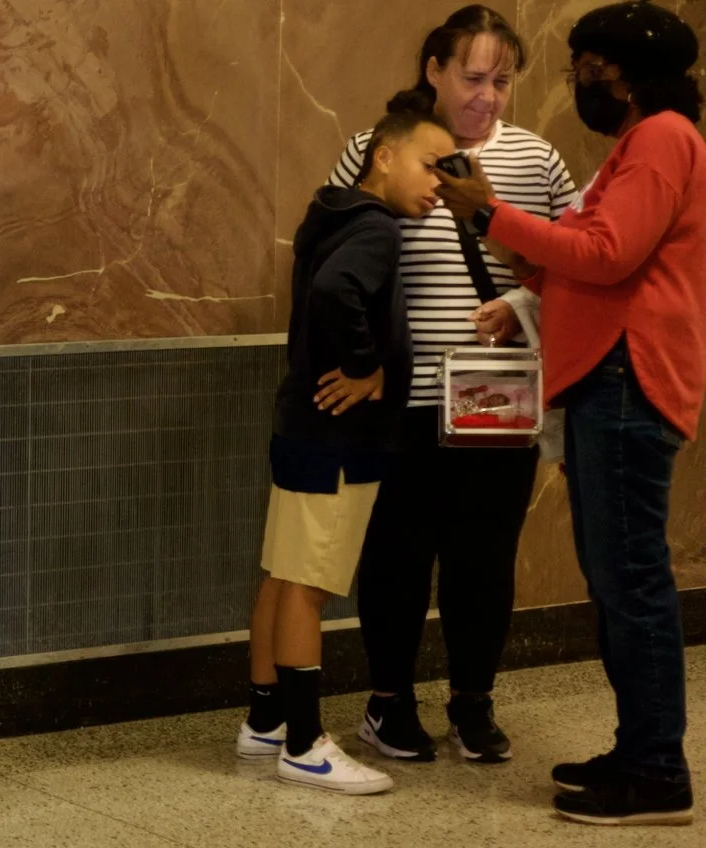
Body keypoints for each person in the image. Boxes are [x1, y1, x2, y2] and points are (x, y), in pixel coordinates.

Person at [244, 4, 578, 767]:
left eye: (502, 81)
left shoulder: (536, 159)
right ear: (433, 71)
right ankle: (389, 701)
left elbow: (570, 267)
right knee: (394, 554)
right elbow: (325, 253)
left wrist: (522, 303)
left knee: (485, 558)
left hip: (498, 400)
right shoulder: (380, 150)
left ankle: (474, 702)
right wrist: (365, 362)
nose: (487, 96)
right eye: (472, 77)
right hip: (400, 400)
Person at [436, 0, 705, 826]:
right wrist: (527, 279)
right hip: (604, 378)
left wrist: (489, 214)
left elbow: (609, 253)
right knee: (616, 577)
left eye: (587, 68)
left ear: (624, 74)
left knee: (632, 581)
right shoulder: (633, 145)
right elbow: (589, 254)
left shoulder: (662, 138)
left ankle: (658, 772)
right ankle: (636, 749)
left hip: (629, 376)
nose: (577, 82)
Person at [237, 101, 456, 795]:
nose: (438, 185)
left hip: (302, 426)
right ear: (383, 156)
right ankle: (304, 745)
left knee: (281, 573)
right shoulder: (377, 229)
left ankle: (265, 719)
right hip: (339, 436)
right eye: (429, 165)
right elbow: (338, 292)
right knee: (308, 586)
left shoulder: (329, 213)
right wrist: (368, 365)